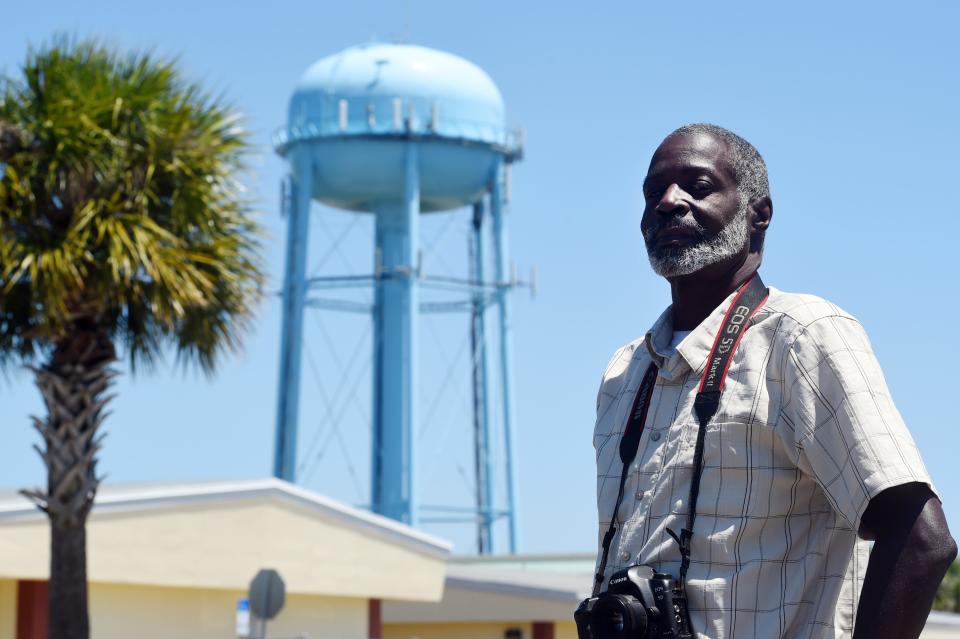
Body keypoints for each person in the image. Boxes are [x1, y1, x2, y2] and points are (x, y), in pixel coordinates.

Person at [592, 123, 957, 638]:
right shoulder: (625, 373)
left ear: (758, 214)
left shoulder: (802, 335)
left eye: (697, 187)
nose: (668, 202)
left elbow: (921, 538)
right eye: (654, 192)